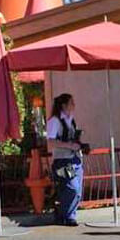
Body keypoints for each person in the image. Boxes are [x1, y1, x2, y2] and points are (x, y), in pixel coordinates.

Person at [47, 93, 84, 226]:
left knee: (78, 190)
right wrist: (69, 145)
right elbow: (51, 142)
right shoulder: (55, 121)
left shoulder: (71, 119)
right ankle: (64, 213)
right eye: (71, 103)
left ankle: (70, 216)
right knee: (72, 187)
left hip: (75, 159)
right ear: (64, 105)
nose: (74, 105)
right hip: (63, 160)